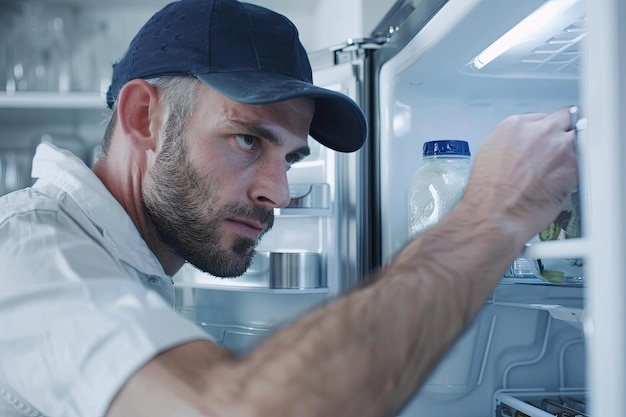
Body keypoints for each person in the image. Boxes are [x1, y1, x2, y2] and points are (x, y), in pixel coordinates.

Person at [0, 0, 579, 416]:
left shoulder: (129, 260)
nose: (277, 192)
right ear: (143, 118)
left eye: (291, 158)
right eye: (247, 140)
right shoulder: (30, 254)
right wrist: (487, 219)